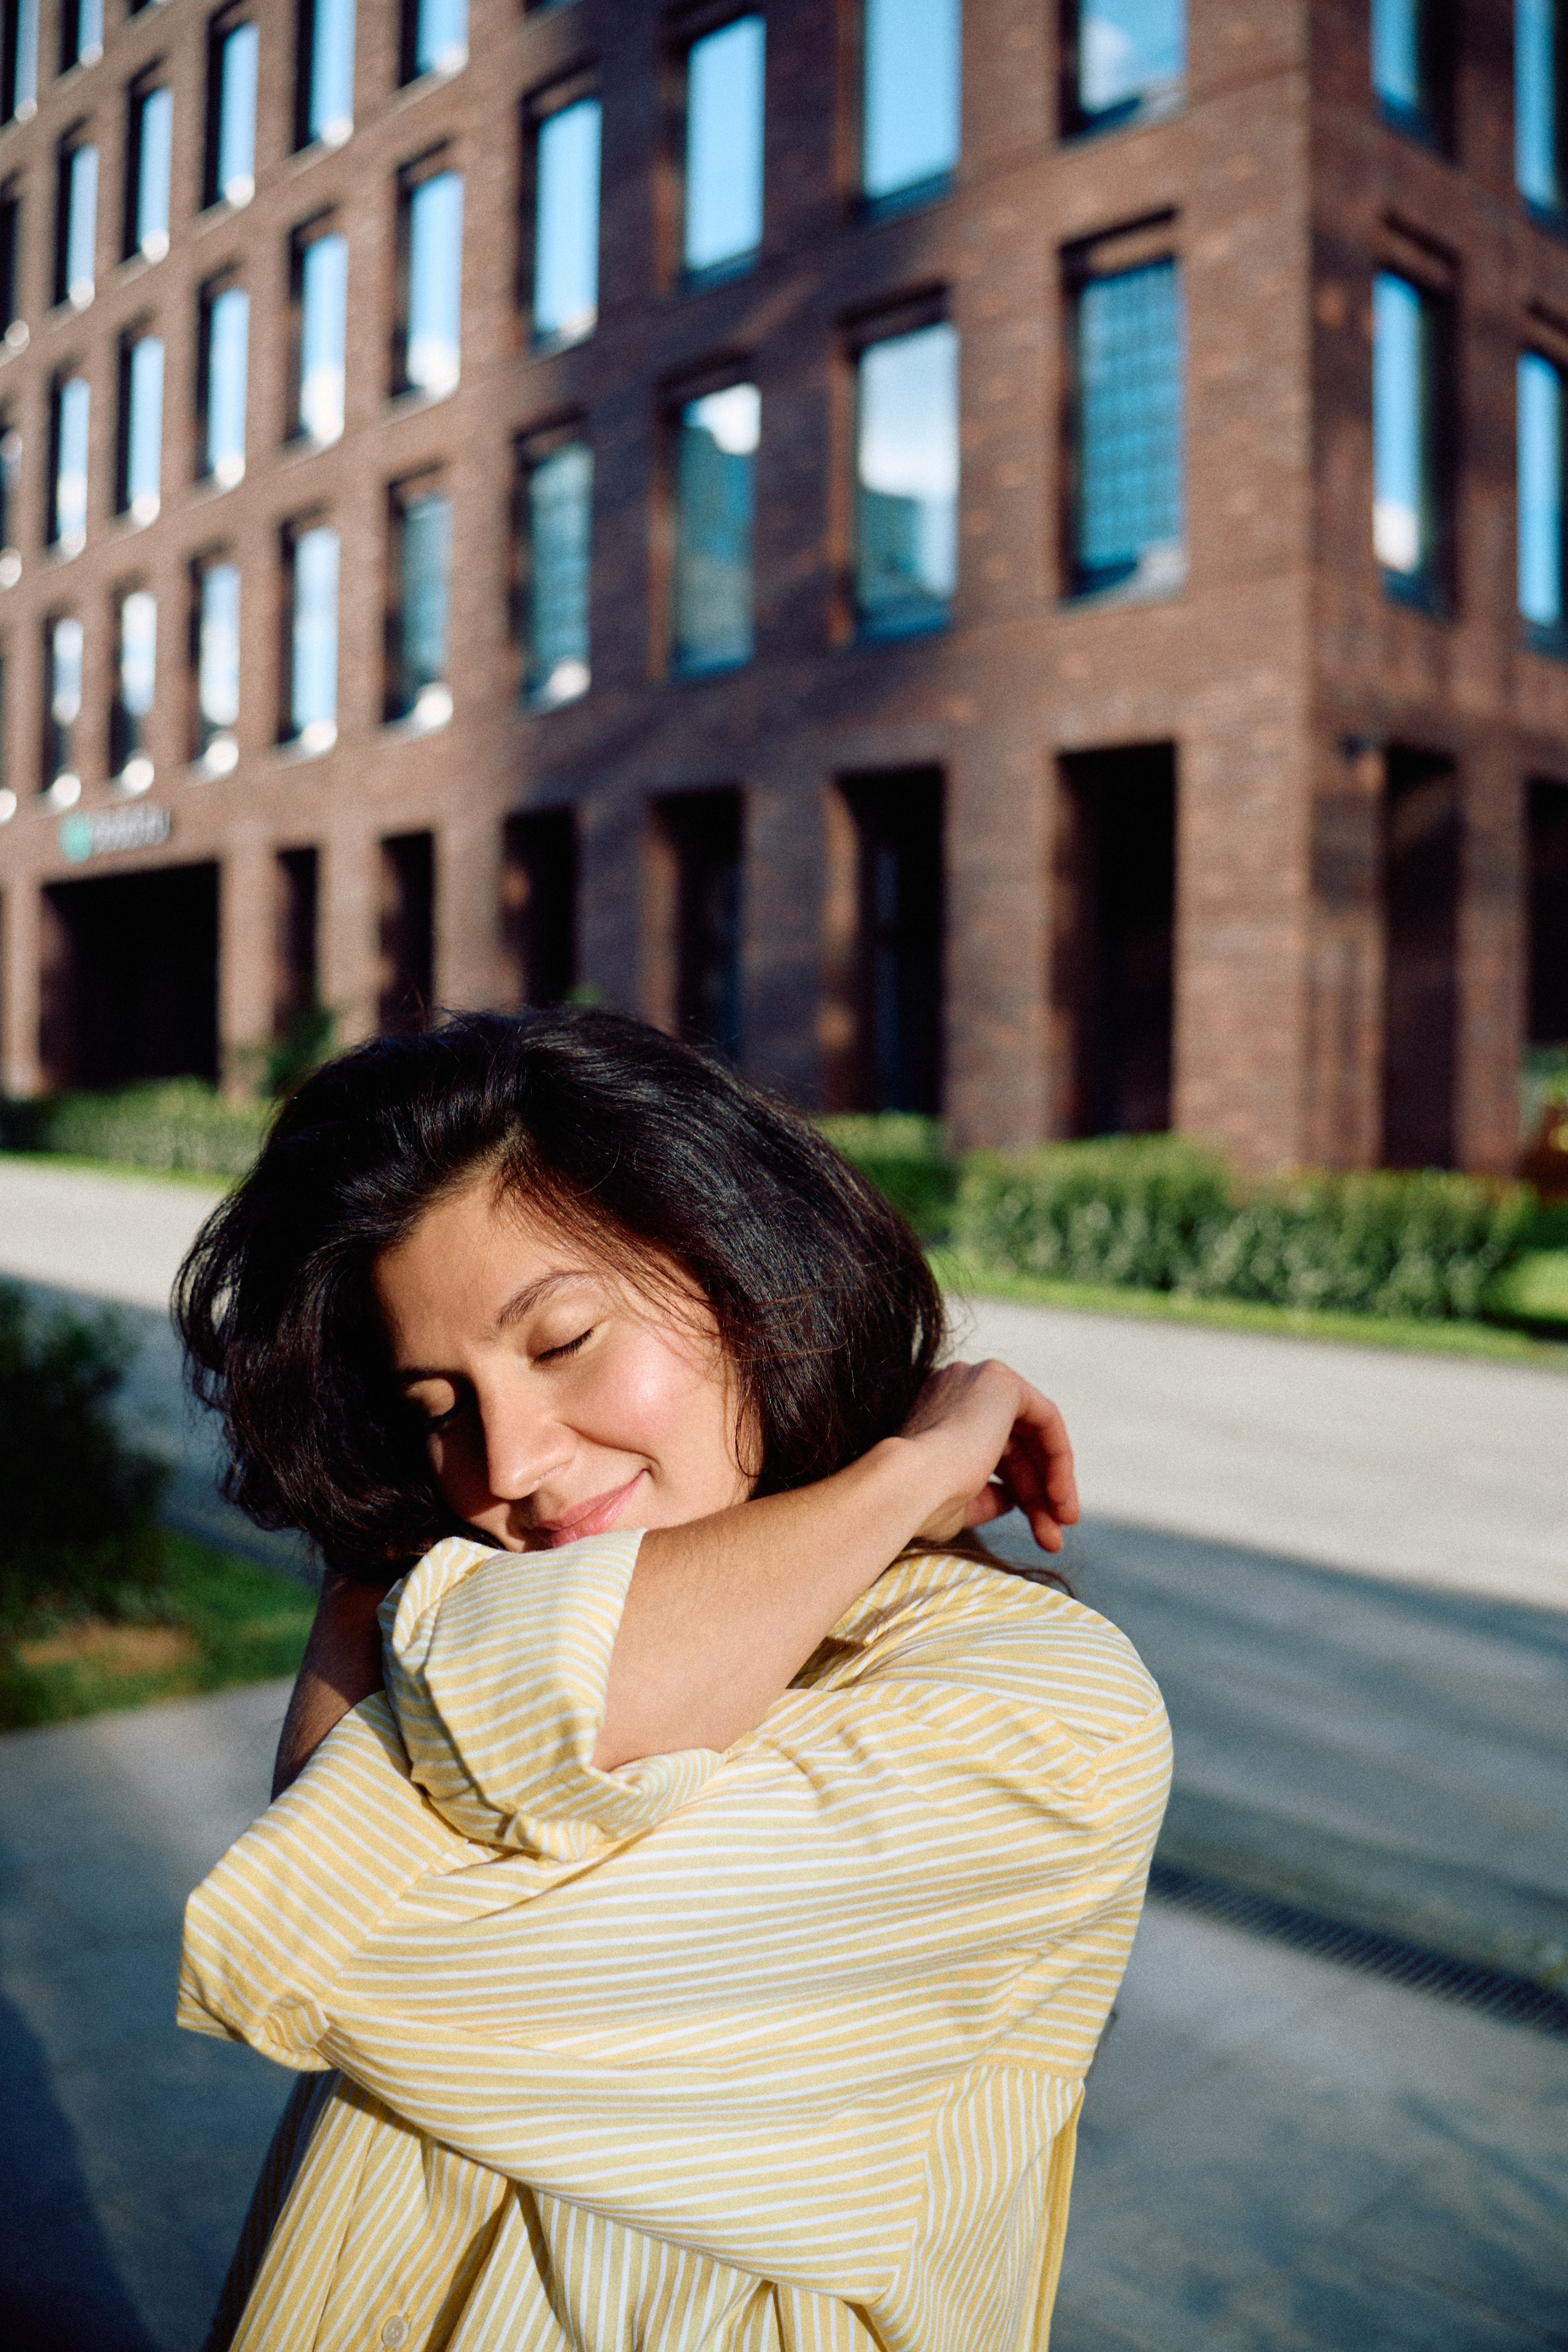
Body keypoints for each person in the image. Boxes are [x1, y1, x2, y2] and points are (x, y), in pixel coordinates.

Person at [175, 1010, 1170, 2352]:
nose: (506, 1464)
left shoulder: (1037, 1710)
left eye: (564, 1337)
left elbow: (312, 1940)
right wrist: (383, 1546)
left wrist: (893, 1481)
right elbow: (324, 1843)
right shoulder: (475, 1607)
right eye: (433, 1411)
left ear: (743, 1267)